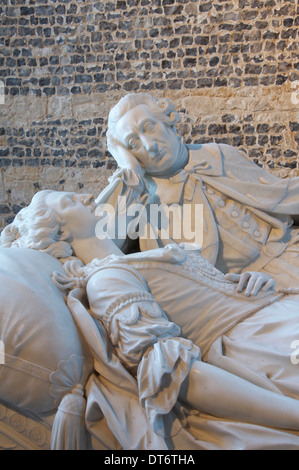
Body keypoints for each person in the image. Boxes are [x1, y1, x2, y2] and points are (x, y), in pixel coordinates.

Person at [2, 189, 299, 450]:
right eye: (70, 201)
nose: (88, 196)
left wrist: (253, 282)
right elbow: (178, 376)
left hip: (273, 316)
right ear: (60, 232)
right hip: (262, 345)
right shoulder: (108, 279)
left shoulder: (130, 260)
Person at [96, 92, 299, 290]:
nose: (150, 147)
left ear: (167, 121)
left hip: (291, 251)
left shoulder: (219, 154)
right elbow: (102, 248)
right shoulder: (142, 199)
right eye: (133, 143)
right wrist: (129, 172)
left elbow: (283, 196)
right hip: (241, 289)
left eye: (149, 127)